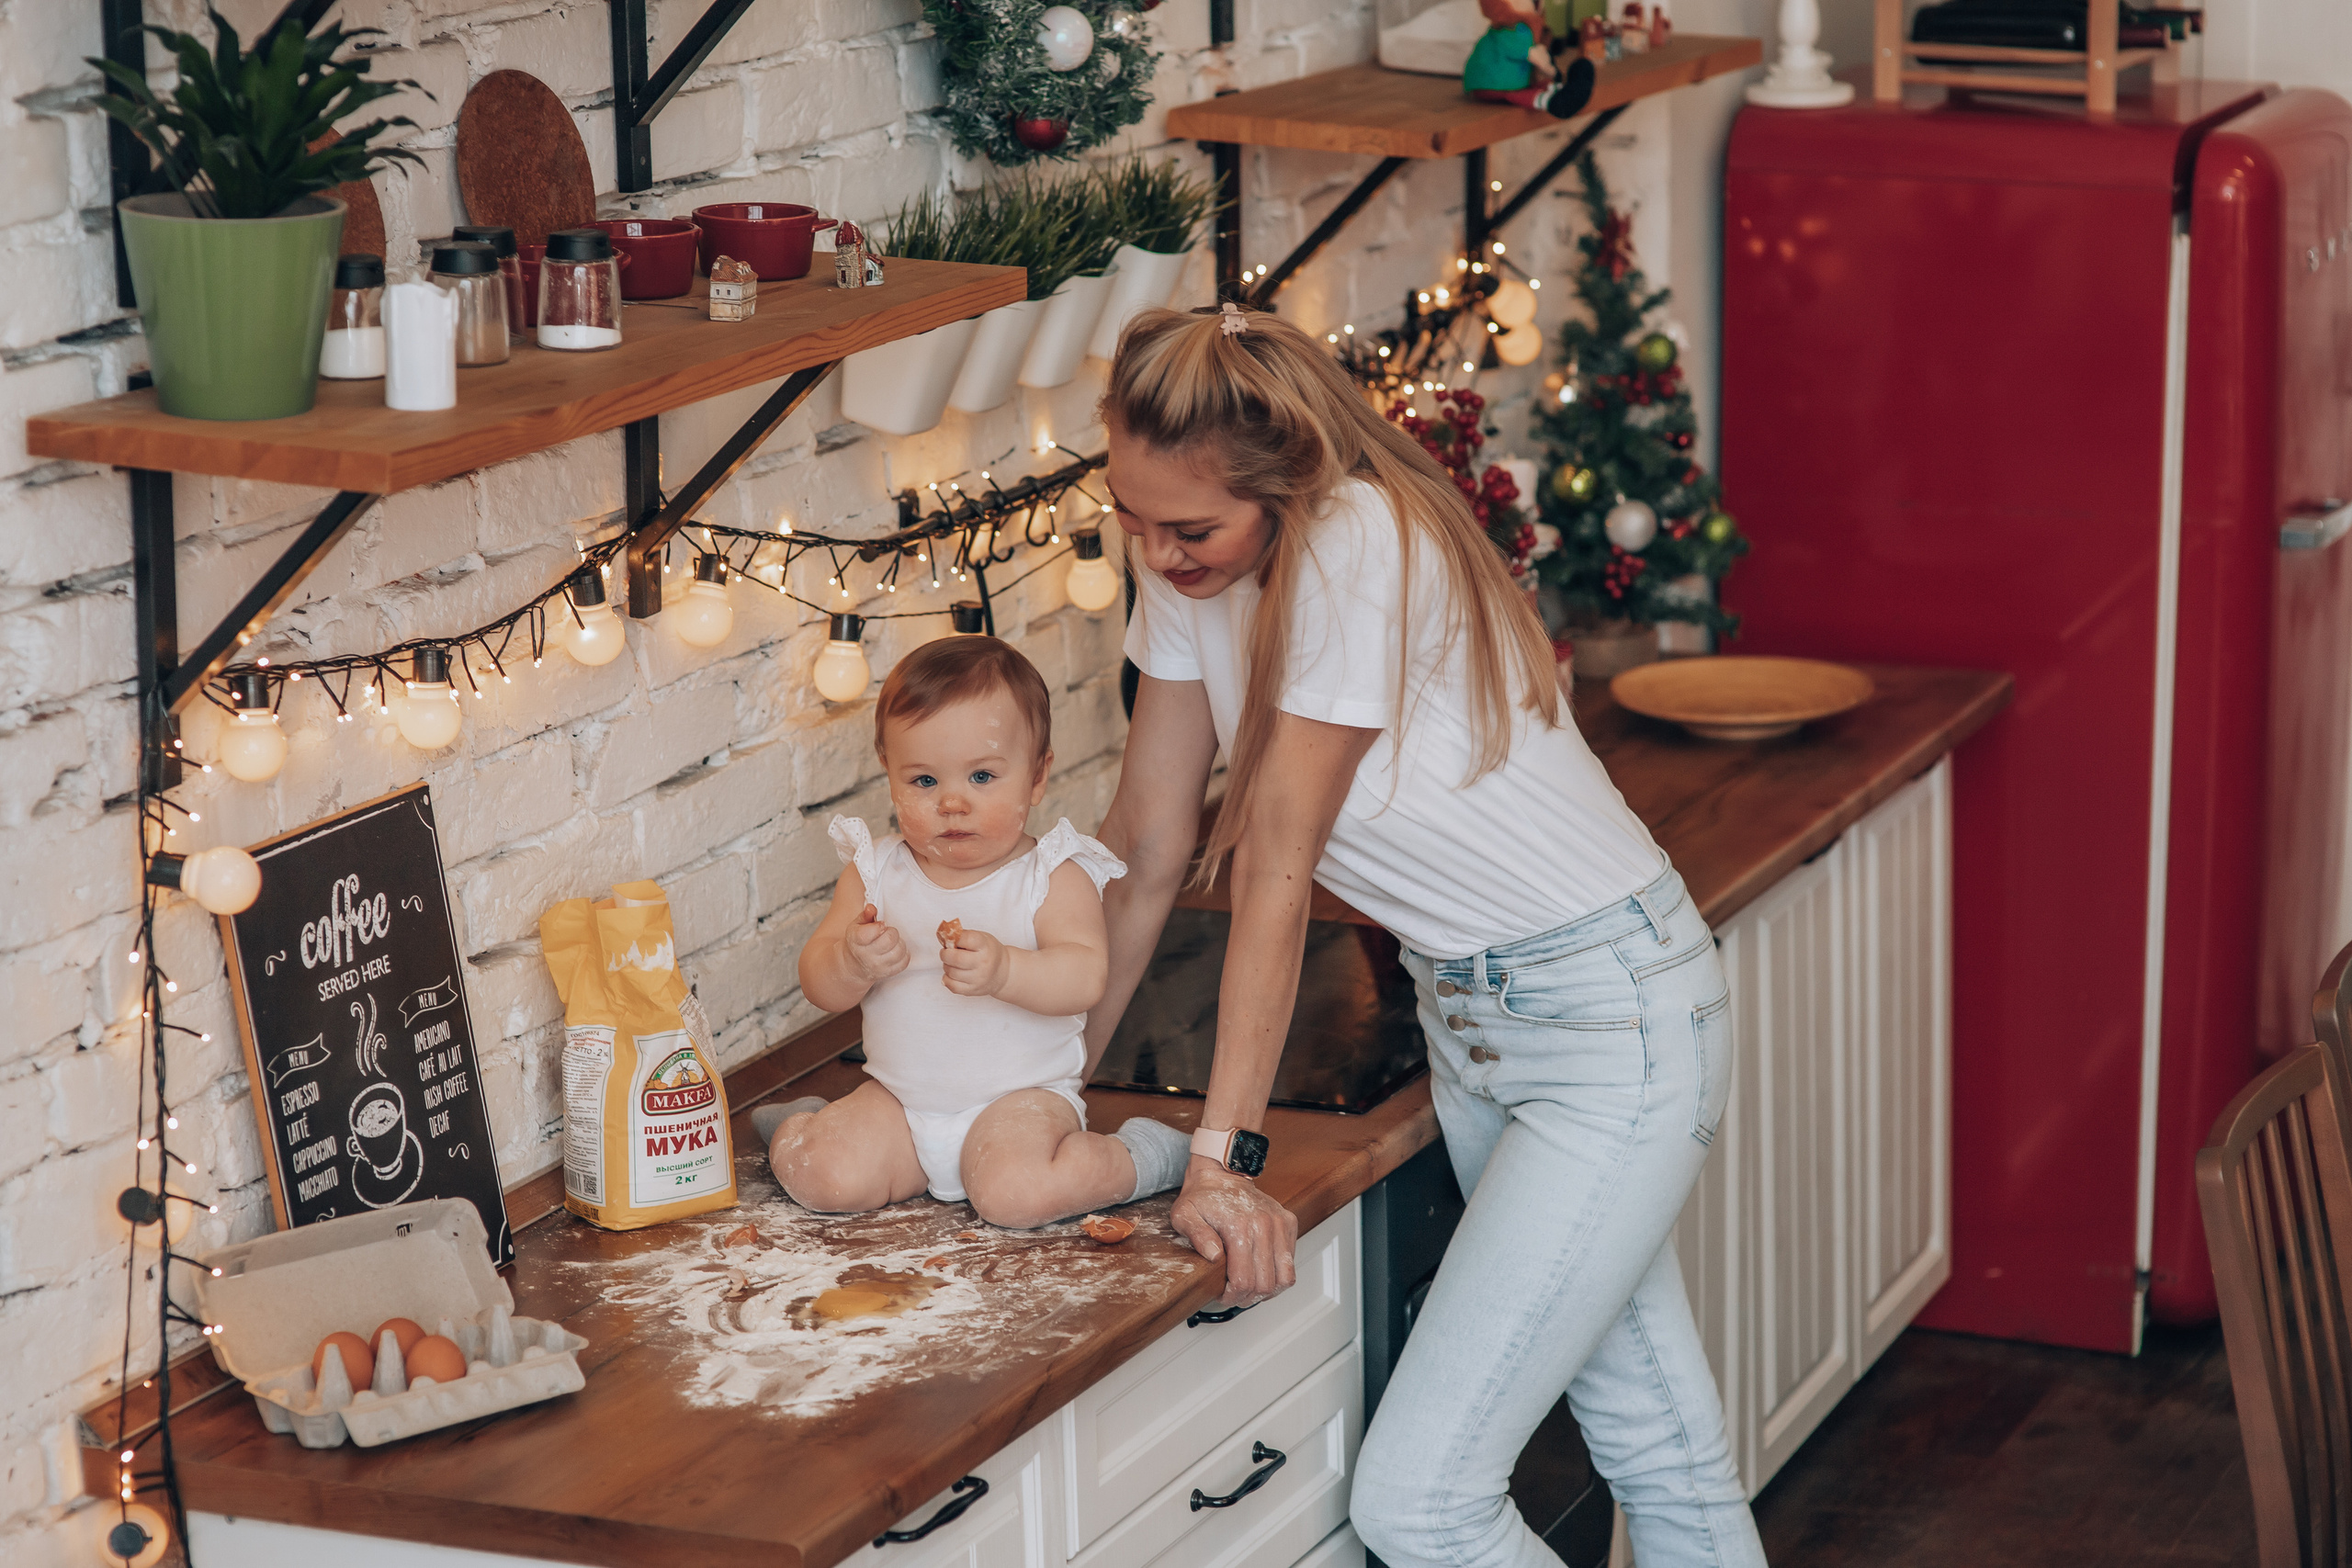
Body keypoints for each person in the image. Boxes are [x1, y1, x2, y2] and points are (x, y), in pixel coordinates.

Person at [1081, 301, 1767, 1568]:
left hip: (1609, 1009)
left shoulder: (1356, 540)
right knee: (1659, 1439)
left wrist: (1224, 1159)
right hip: (1479, 1020)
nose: (1157, 550)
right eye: (1132, 516)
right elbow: (1144, 844)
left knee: (1421, 1502)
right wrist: (1042, 1081)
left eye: (1190, 528)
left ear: (1283, 483)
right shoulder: (1187, 562)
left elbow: (1275, 860)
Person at [754, 636, 1196, 1228]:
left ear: (1037, 777)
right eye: (924, 781)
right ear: (889, 773)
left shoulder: (1052, 876)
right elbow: (818, 984)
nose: (952, 803)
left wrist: (1007, 970)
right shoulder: (875, 872)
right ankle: (802, 1126)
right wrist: (850, 963)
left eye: (982, 776)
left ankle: (1144, 1156)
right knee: (826, 1175)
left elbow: (1085, 977)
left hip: (1021, 1105)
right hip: (899, 1102)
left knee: (1017, 1195)